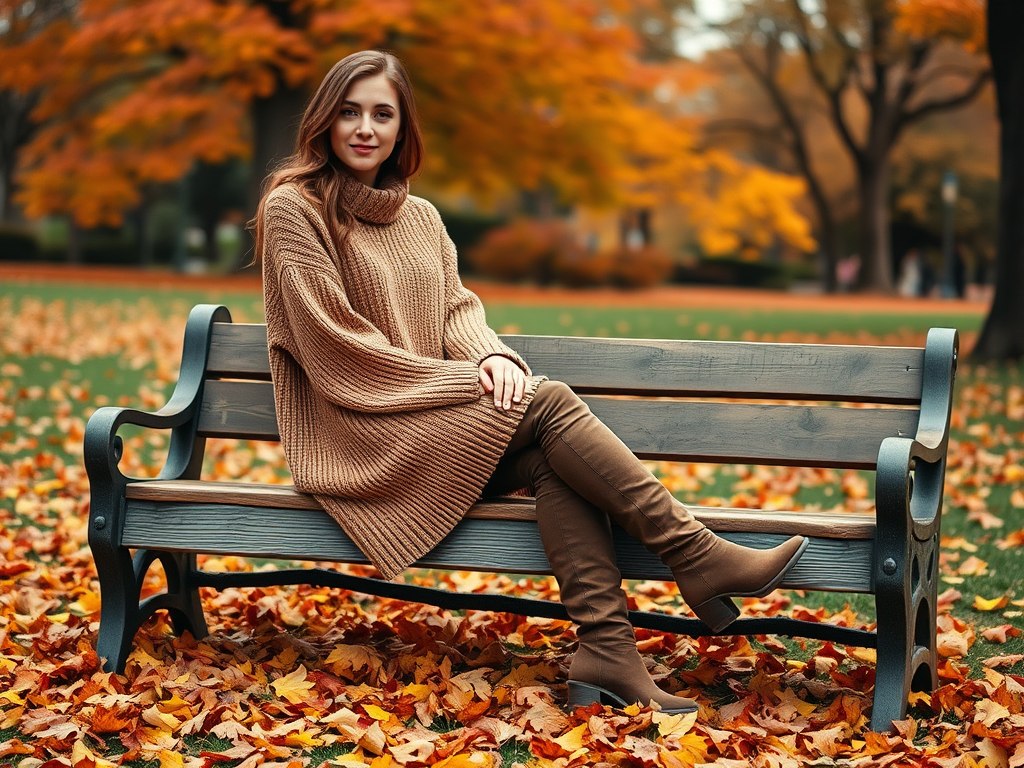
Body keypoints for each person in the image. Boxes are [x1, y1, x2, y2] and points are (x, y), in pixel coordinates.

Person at [253, 50, 808, 714]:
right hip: (360, 435)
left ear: (404, 129)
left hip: (429, 429)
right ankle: (693, 554)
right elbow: (337, 346)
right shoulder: (295, 208)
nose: (365, 128)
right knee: (546, 401)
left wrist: (490, 356)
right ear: (324, 120)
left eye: (382, 113)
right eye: (349, 112)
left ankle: (608, 649)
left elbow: (455, 310)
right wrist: (466, 382)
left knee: (550, 453)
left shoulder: (421, 218)